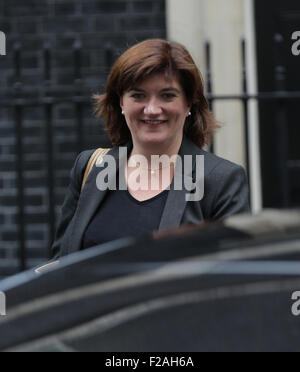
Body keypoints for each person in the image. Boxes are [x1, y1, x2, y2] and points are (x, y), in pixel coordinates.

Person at [51, 39, 250, 260]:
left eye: (167, 95)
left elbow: (231, 277)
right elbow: (60, 264)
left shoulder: (221, 180)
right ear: (121, 103)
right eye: (138, 95)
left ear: (189, 104)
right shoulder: (90, 167)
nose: (152, 109)